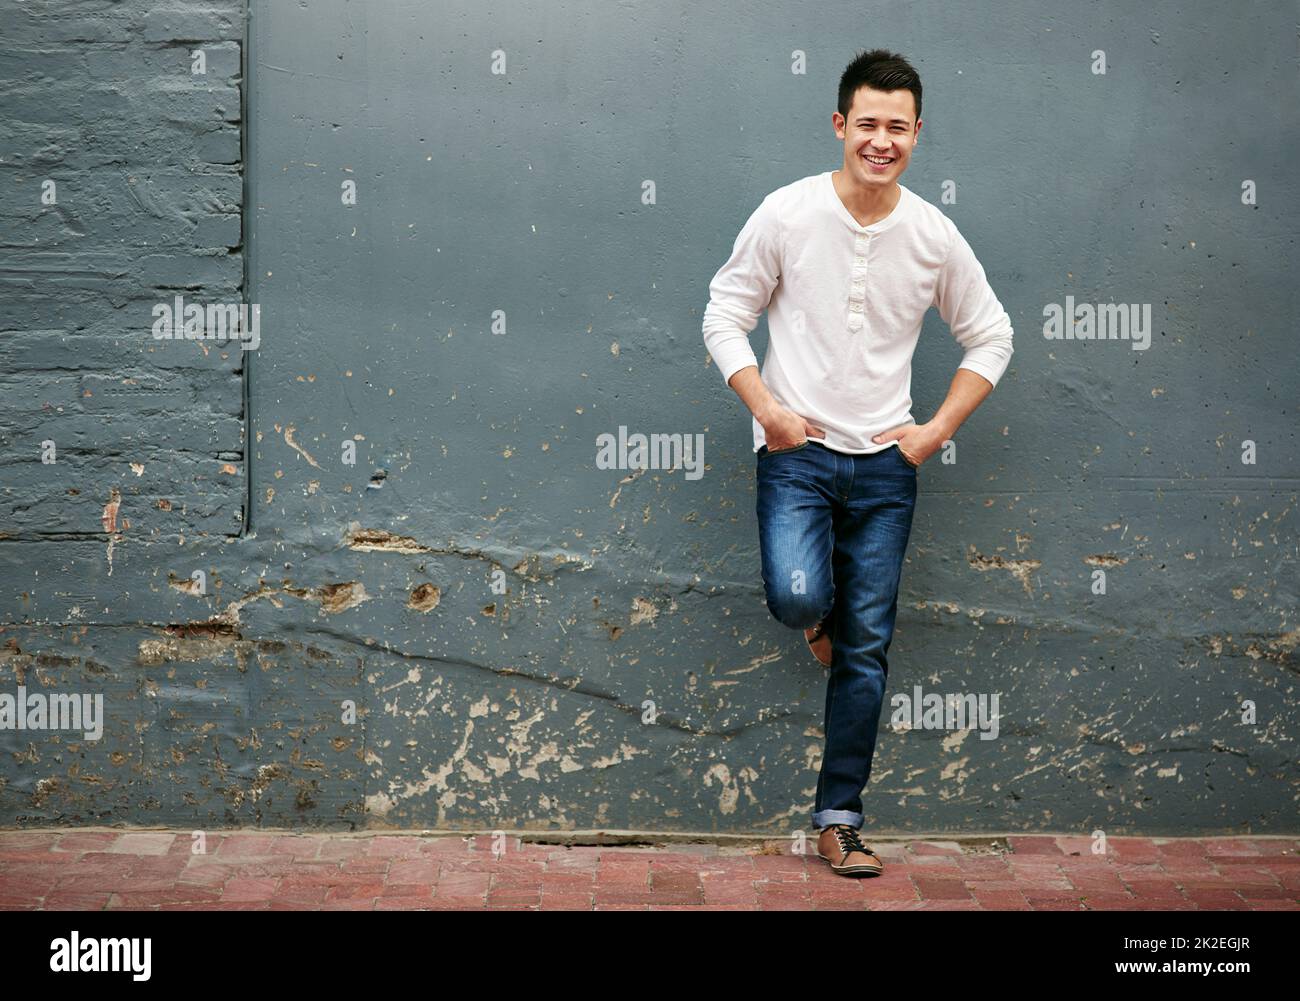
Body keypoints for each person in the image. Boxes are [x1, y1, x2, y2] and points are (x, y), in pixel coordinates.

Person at [701, 49, 1014, 877]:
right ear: (841, 125)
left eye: (898, 127)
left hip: (886, 465)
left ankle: (839, 818)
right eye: (867, 123)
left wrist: (934, 429)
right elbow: (725, 313)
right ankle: (818, 618)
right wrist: (766, 409)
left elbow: (993, 334)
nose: (882, 140)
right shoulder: (787, 213)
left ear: (918, 135)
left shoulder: (932, 234)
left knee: (867, 649)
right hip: (796, 451)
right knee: (799, 593)